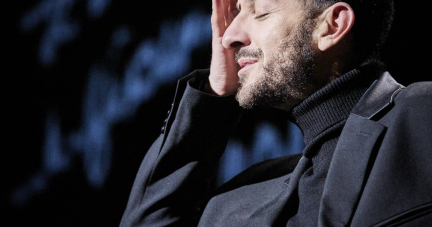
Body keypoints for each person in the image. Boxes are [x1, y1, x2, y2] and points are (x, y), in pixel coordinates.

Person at [120, 0, 432, 226]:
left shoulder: (421, 116)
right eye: (238, 12)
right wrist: (213, 92)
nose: (230, 37)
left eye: (261, 12)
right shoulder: (238, 202)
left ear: (332, 26)